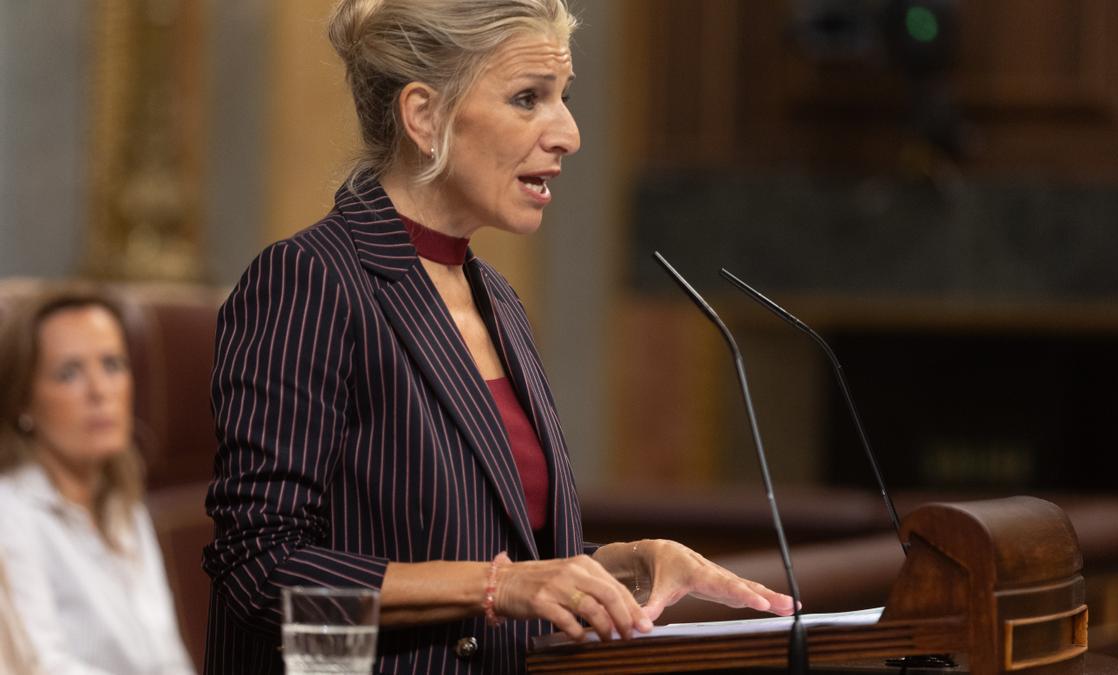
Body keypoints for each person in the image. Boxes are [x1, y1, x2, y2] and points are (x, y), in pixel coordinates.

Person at [202, 1, 798, 672]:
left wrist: (627, 564)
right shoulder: (311, 279)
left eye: (562, 98)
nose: (568, 133)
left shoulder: (499, 300)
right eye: (527, 99)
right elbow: (261, 569)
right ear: (425, 116)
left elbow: (497, 555)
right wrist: (500, 585)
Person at [0, 286, 195, 675]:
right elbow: (40, 667)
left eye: (112, 365)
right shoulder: (10, 512)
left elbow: (168, 659)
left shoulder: (124, 503)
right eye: (69, 373)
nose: (100, 391)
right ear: (23, 399)